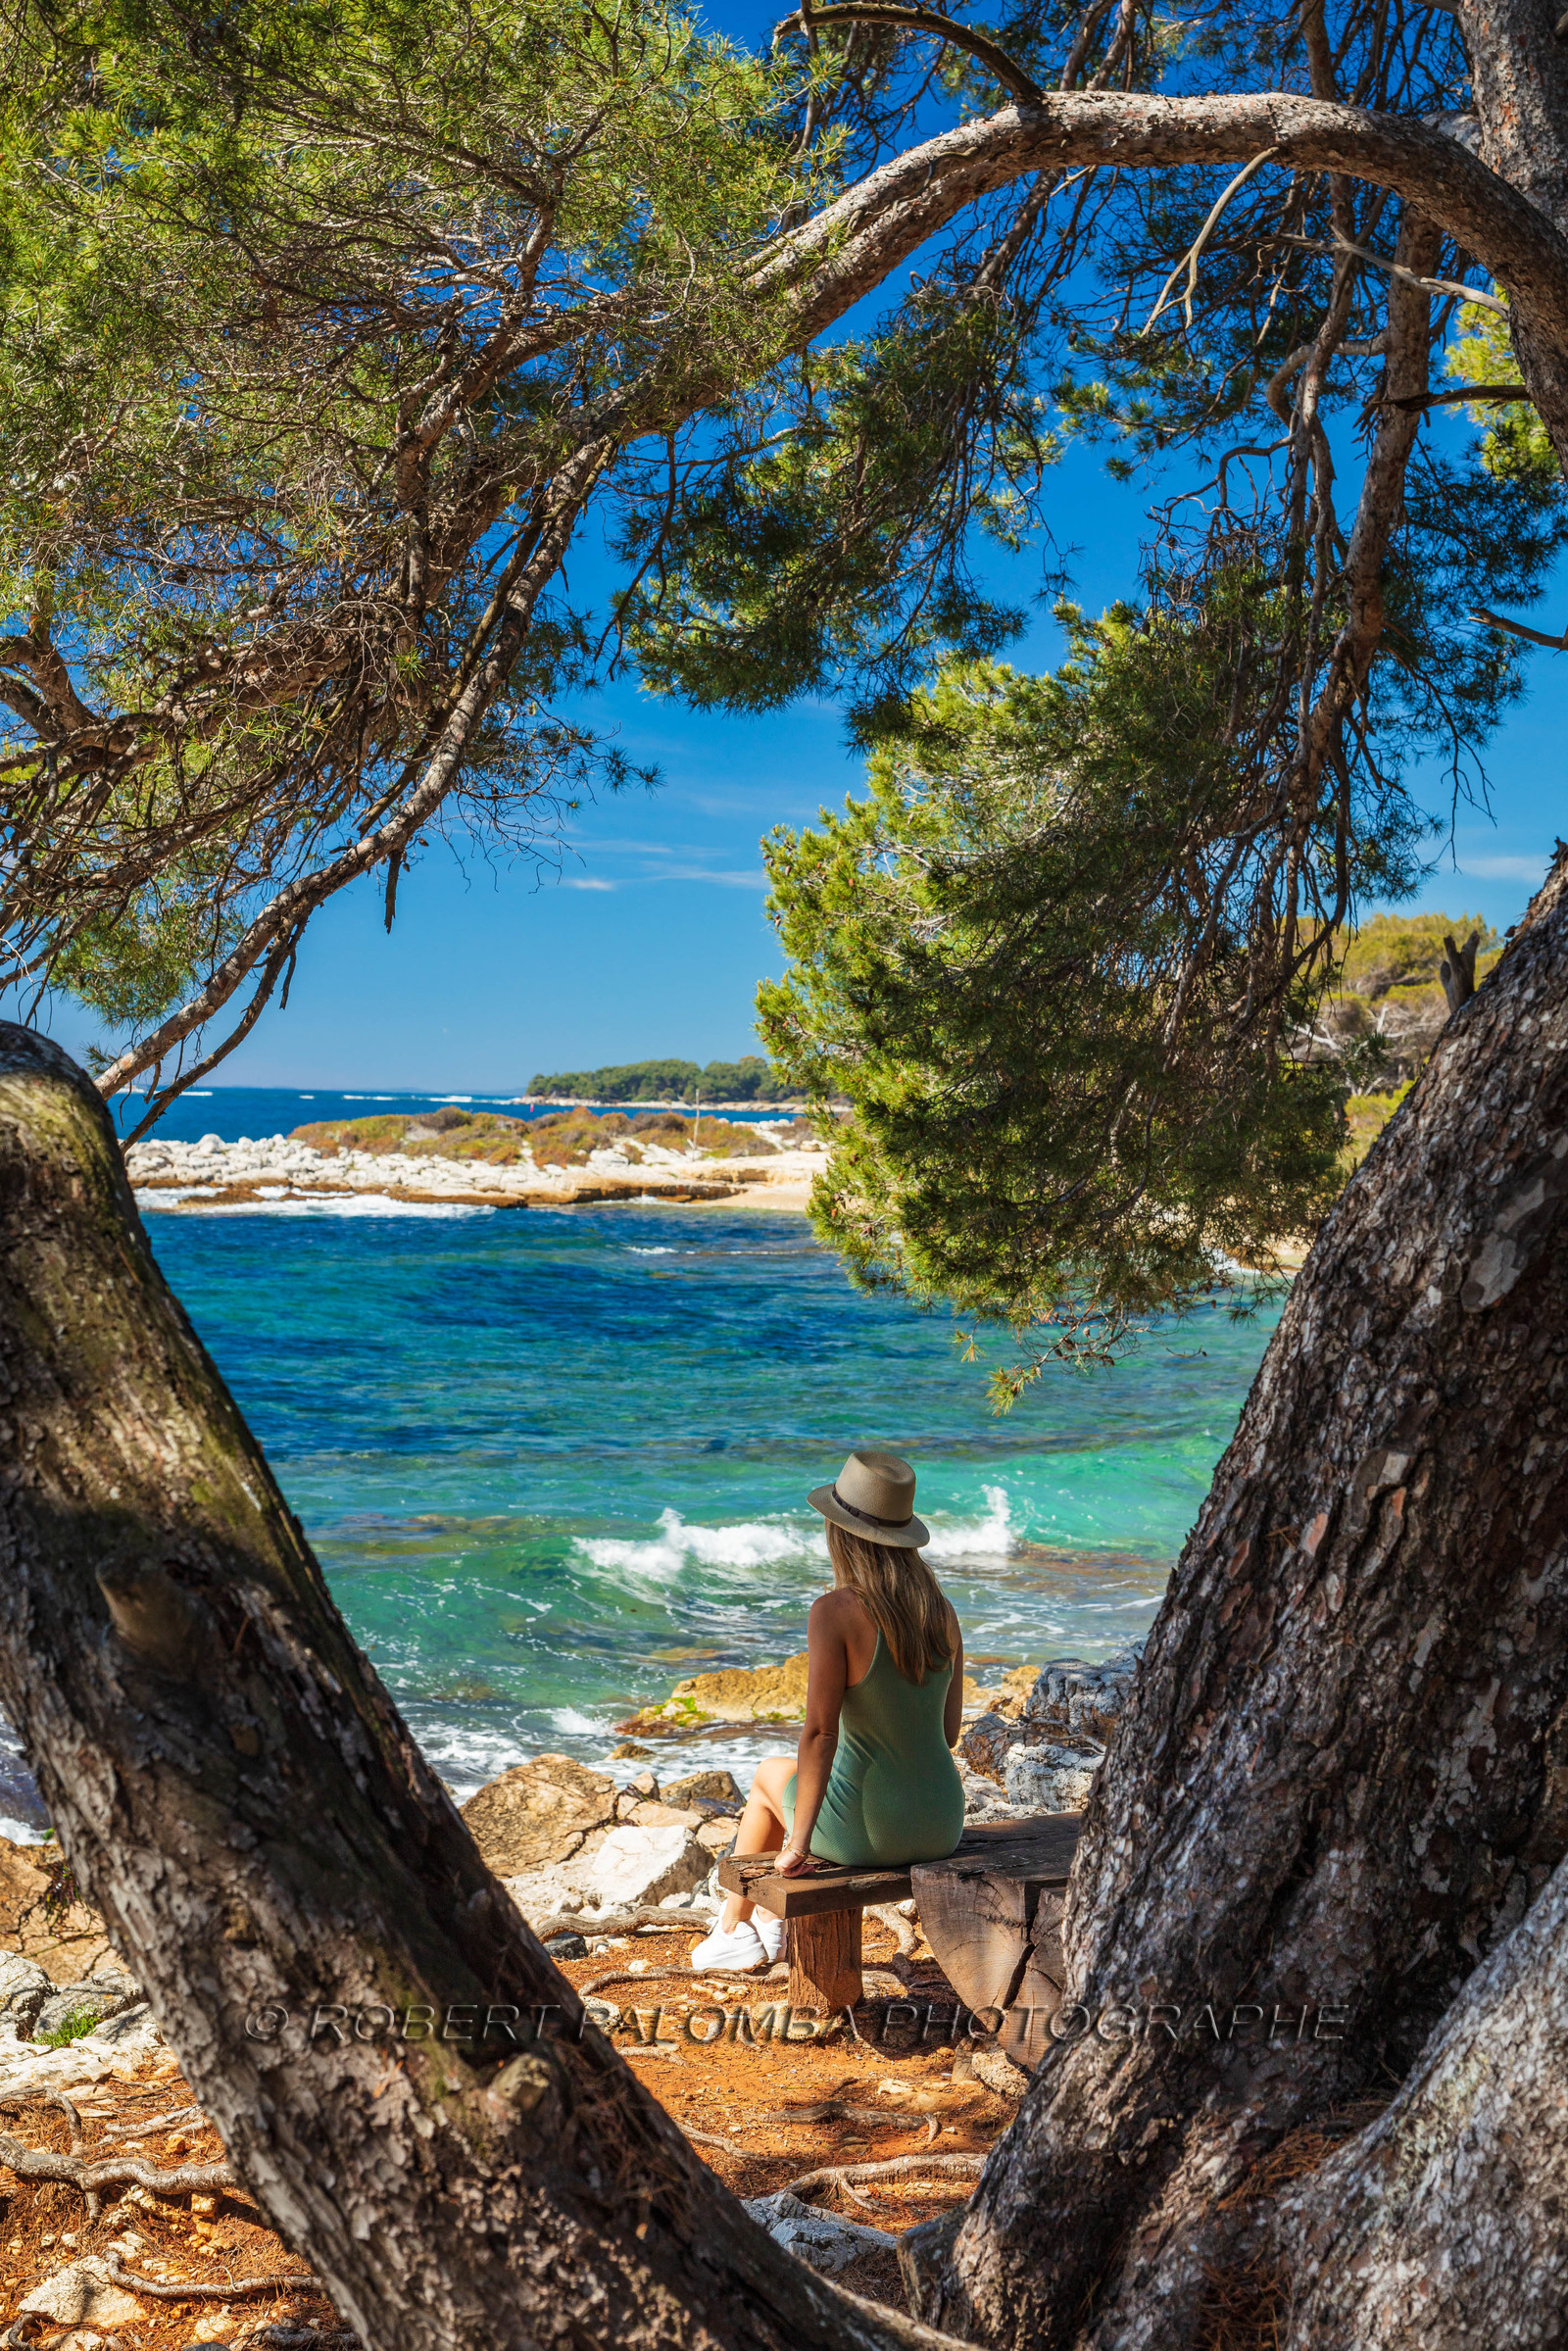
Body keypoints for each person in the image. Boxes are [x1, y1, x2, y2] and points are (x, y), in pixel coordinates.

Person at [690, 1448, 966, 1973]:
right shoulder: (942, 1612)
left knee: (771, 1774)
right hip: (941, 1824)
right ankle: (766, 1927)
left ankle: (733, 1929)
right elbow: (947, 1733)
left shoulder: (835, 1611)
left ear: (839, 1531)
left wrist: (797, 1844)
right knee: (788, 1779)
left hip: (870, 1833)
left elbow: (820, 1734)